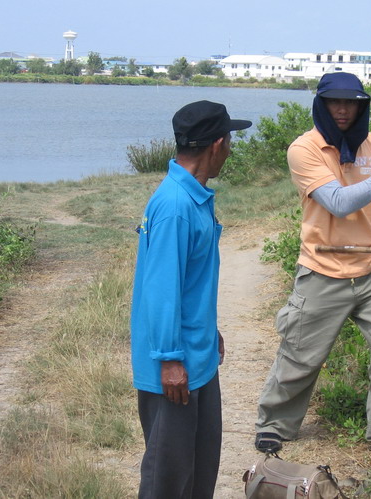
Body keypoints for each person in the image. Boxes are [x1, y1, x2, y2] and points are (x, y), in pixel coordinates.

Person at [255, 72, 371, 464]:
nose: (343, 109)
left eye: (353, 103)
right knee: (301, 354)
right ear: (322, 105)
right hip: (322, 267)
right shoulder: (305, 149)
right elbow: (340, 202)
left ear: (362, 106)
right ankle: (273, 426)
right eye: (335, 102)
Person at [130, 100, 252, 498]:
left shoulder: (194, 196)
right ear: (217, 144)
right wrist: (169, 359)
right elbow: (160, 289)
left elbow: (189, 282)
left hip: (196, 357)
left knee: (199, 468)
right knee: (167, 476)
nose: (231, 149)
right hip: (175, 365)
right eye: (230, 139)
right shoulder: (175, 207)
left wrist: (207, 328)